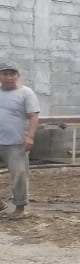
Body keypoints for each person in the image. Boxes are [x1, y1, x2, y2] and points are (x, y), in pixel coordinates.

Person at [0, 61, 40, 219]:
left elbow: (33, 116)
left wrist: (30, 137)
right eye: (5, 74)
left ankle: (20, 207)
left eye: (12, 74)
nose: (9, 77)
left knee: (18, 174)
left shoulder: (26, 93)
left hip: (16, 142)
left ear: (18, 76)